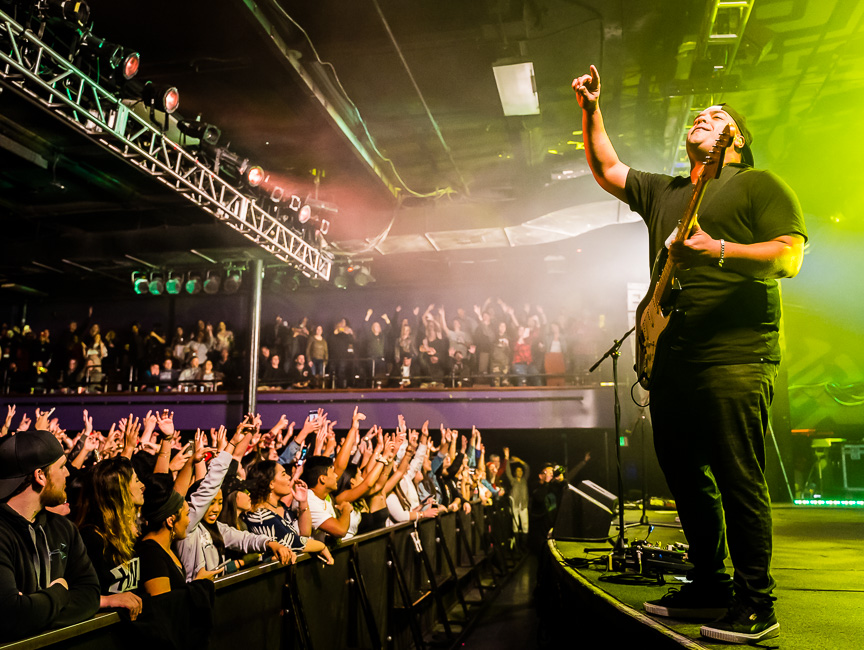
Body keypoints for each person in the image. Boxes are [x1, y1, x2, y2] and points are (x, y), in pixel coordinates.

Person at [573, 65, 806, 644]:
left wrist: (716, 248)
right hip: (673, 359)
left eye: (718, 116)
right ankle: (709, 584)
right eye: (699, 115)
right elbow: (606, 167)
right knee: (682, 473)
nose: (704, 116)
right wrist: (591, 109)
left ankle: (758, 603)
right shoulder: (669, 190)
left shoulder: (759, 185)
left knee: (737, 477)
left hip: (735, 355)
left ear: (736, 139)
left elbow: (788, 258)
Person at [0, 429, 100, 641]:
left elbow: (90, 595)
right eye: (62, 466)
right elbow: (9, 616)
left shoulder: (64, 528)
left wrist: (33, 613)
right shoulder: (2, 533)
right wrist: (61, 592)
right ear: (40, 476)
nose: (68, 474)